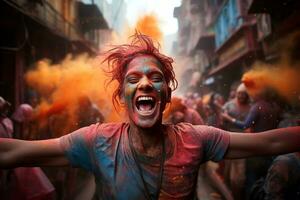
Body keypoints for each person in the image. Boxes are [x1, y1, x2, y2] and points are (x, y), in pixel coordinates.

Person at [1, 33, 300, 200]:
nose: (144, 83)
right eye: (133, 79)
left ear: (166, 95)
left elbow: (271, 142)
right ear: (122, 97)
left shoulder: (195, 138)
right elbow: (17, 150)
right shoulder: (98, 141)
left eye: (155, 77)